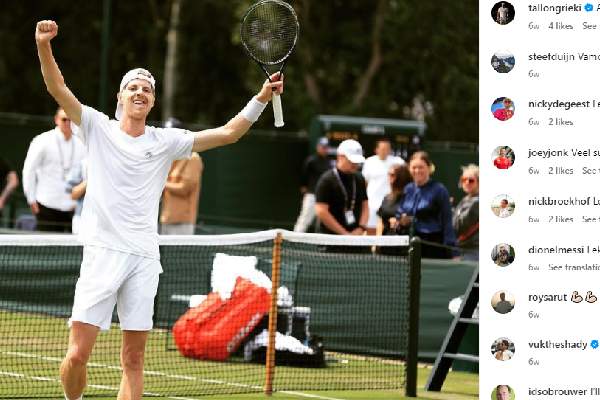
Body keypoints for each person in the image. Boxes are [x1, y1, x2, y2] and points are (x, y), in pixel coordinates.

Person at [35, 19, 283, 400]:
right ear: (120, 97)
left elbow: (228, 133)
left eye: (147, 89)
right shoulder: (97, 127)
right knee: (77, 355)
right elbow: (57, 87)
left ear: (152, 101)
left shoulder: (166, 141)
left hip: (144, 258)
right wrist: (43, 44)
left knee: (133, 360)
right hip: (102, 254)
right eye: (133, 87)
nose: (140, 92)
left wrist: (262, 98)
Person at [22, 107, 86, 232]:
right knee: (45, 243)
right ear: (56, 120)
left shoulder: (81, 143)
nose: (68, 123)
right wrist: (31, 198)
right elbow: (29, 170)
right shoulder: (42, 140)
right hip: (46, 204)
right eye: (64, 119)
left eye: (71, 120)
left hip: (72, 208)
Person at [396, 151, 457, 259]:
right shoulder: (408, 189)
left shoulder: (439, 190)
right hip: (409, 244)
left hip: (432, 245)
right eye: (414, 167)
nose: (417, 171)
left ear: (429, 168)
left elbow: (447, 221)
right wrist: (402, 219)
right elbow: (400, 212)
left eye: (421, 167)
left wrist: (453, 251)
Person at [314, 139, 368, 235]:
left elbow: (365, 206)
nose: (355, 164)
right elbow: (321, 211)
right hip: (329, 238)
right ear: (340, 157)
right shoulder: (327, 180)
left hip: (355, 236)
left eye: (357, 161)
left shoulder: (360, 178)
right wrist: (344, 234)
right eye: (351, 160)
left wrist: (361, 228)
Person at [362, 139, 404, 235]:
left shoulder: (398, 162)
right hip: (372, 204)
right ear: (376, 150)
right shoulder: (369, 162)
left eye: (387, 149)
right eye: (383, 149)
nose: (385, 151)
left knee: (390, 230)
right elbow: (365, 182)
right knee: (371, 231)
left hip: (390, 205)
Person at [293, 137, 331, 232]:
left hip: (325, 197)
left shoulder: (329, 163)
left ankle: (321, 241)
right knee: (305, 219)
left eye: (326, 147)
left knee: (323, 223)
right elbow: (303, 177)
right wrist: (305, 191)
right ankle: (294, 239)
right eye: (322, 147)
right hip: (312, 195)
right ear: (318, 147)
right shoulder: (311, 161)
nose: (324, 149)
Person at [160, 151, 203, 235]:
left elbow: (185, 189)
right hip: (166, 219)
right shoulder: (172, 157)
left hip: (182, 222)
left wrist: (161, 184)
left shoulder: (193, 158)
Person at [453, 164, 479, 260]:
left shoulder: (476, 202)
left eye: (471, 180)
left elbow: (458, 226)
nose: (467, 182)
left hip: (473, 251)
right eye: (464, 179)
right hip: (465, 249)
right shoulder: (466, 199)